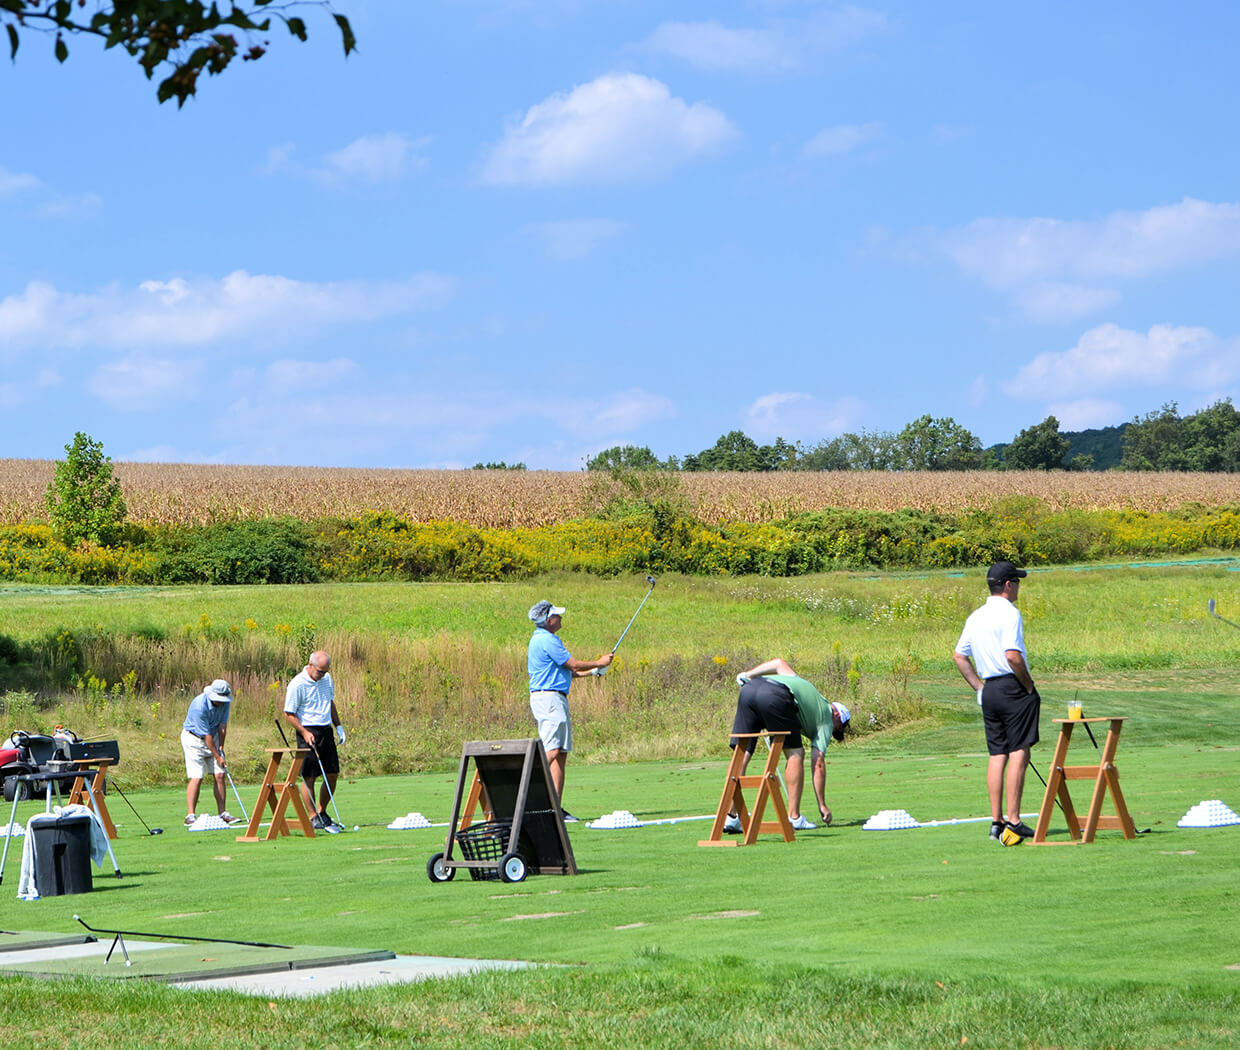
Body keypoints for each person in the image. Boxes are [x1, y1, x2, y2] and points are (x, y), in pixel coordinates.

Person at [952, 561, 1041, 843]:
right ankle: (1014, 820)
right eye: (1017, 582)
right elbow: (1013, 656)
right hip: (1011, 686)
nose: (1018, 588)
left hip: (989, 689)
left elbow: (959, 656)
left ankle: (996, 821)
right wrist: (1028, 686)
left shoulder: (976, 615)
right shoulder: (1010, 613)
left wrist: (979, 688)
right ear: (1007, 585)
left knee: (997, 754)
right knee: (1018, 751)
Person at [728, 658, 851, 831]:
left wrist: (747, 675)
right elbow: (818, 764)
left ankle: (731, 817)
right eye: (841, 725)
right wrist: (822, 804)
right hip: (776, 696)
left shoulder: (798, 682)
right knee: (795, 754)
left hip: (749, 689)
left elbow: (778, 663)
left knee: (743, 752)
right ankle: (794, 817)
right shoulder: (826, 719)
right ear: (837, 714)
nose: (837, 730)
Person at [527, 600, 613, 820]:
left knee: (561, 754)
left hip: (555, 697)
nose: (560, 618)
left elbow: (570, 673)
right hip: (549, 699)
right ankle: (523, 794)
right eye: (557, 615)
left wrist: (594, 671)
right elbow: (574, 665)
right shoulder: (547, 640)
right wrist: (599, 660)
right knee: (552, 751)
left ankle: (554, 809)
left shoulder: (546, 639)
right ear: (548, 620)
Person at [283, 650, 346, 834]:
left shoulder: (326, 679)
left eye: (325, 671)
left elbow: (330, 703)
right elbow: (289, 713)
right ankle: (312, 816)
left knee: (332, 774)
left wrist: (339, 726)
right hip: (308, 731)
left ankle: (322, 811)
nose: (323, 675)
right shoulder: (297, 684)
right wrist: (304, 732)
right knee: (309, 776)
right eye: (320, 671)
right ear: (310, 666)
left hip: (326, 730)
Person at [181, 678, 243, 826]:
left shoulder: (225, 703)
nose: (221, 701)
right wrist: (217, 755)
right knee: (197, 776)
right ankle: (190, 816)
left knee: (220, 775)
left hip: (213, 736)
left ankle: (223, 813)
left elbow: (222, 726)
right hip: (194, 739)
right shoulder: (198, 706)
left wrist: (221, 748)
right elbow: (206, 735)